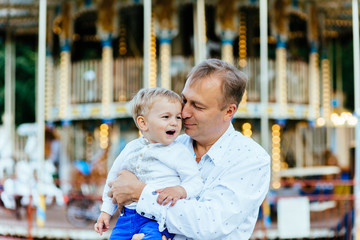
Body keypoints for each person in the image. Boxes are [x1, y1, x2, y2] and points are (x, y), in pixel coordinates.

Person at [107, 59, 271, 240]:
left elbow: (209, 223)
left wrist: (140, 193)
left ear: (228, 112)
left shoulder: (251, 158)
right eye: (184, 100)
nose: (184, 113)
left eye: (198, 106)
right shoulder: (168, 143)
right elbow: (120, 190)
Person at [94, 88, 204, 240]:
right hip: (127, 217)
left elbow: (195, 181)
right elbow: (113, 179)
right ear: (143, 123)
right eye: (166, 117)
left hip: (157, 218)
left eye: (178, 117)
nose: (174, 123)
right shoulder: (131, 148)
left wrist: (180, 190)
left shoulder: (179, 151)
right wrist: (106, 211)